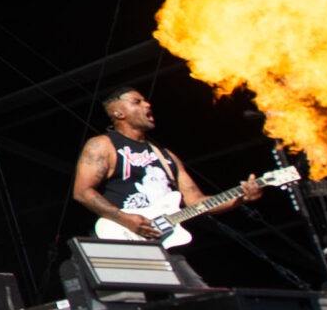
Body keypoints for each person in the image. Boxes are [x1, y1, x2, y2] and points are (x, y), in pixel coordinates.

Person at [70, 88, 261, 248]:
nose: (147, 105)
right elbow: (82, 192)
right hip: (122, 235)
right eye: (137, 102)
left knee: (192, 284)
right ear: (119, 113)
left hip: (165, 240)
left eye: (145, 101)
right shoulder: (103, 145)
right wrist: (124, 218)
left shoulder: (166, 156)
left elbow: (196, 202)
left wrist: (241, 197)